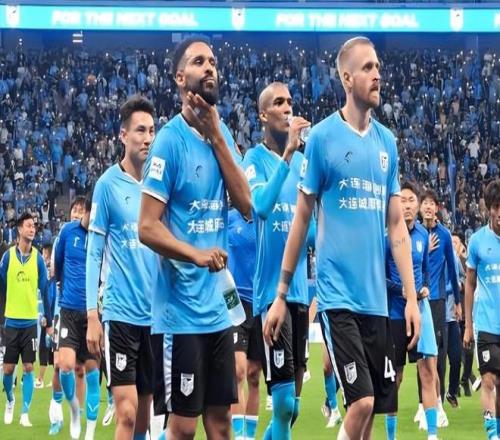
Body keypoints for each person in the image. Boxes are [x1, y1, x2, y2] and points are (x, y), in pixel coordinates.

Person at [263, 36, 420, 440]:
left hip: (376, 302)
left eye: (378, 66)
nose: (377, 74)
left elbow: (396, 225)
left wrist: (410, 296)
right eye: (367, 67)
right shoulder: (323, 138)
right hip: (338, 299)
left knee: (369, 417)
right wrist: (281, 294)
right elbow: (301, 219)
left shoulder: (387, 143)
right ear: (347, 79)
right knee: (361, 402)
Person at [138, 36, 251, 440]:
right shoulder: (169, 141)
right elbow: (146, 226)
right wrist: (196, 255)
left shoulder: (222, 135)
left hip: (218, 309)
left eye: (213, 61)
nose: (210, 68)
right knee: (183, 428)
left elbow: (247, 204)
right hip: (180, 313)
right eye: (199, 61)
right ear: (179, 77)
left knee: (221, 424)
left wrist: (217, 136)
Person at [242, 81, 312, 439]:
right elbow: (261, 206)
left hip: (299, 293)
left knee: (293, 407)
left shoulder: (304, 163)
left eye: (290, 102)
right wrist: (286, 155)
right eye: (279, 102)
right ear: (262, 114)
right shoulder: (254, 160)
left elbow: (310, 231)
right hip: (272, 293)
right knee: (282, 403)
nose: (287, 108)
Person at [86, 95, 159, 440]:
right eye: (140, 130)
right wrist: (92, 315)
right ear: (123, 135)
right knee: (126, 414)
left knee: (144, 417)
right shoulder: (107, 185)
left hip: (156, 317)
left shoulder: (160, 186)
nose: (147, 138)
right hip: (120, 316)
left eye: (152, 131)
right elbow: (94, 254)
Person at [384, 181, 439, 440]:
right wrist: (402, 290)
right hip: (395, 315)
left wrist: (424, 287)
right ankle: (391, 437)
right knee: (395, 377)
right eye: (402, 201)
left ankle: (432, 435)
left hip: (418, 312)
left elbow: (425, 271)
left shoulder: (423, 236)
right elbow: (381, 278)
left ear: (417, 205)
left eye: (410, 201)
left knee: (427, 371)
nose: (406, 206)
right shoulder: (388, 237)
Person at [0, 212, 53, 427]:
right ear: (20, 229)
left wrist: (48, 321)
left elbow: (45, 291)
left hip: (30, 323)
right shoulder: (7, 257)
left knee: (29, 367)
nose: (32, 229)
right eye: (29, 225)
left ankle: (24, 414)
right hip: (11, 322)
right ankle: (10, 401)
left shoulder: (38, 259)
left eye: (34, 226)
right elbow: (2, 286)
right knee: (8, 370)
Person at [54, 196, 100, 440]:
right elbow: (58, 263)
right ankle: (73, 410)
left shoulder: (100, 234)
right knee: (65, 366)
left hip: (92, 313)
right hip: (69, 310)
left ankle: (89, 432)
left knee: (92, 372)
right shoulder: (67, 231)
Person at [416, 189, 461, 428]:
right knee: (420, 355)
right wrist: (426, 249)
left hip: (437, 301)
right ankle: (422, 404)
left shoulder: (444, 235)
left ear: (436, 208)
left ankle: (439, 402)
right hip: (417, 299)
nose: (428, 207)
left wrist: (459, 303)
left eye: (431, 203)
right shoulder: (416, 233)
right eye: (424, 203)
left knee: (437, 355)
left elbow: (453, 271)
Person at [464, 179, 500, 440]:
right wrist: (468, 326)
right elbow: (469, 283)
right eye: (496, 206)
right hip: (486, 323)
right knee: (488, 380)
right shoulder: (477, 241)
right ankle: (491, 436)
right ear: (489, 208)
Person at [227, 205, 261, 440]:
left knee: (254, 375)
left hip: (259, 304)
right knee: (238, 371)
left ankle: (249, 436)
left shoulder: (263, 218)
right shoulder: (229, 218)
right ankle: (238, 436)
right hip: (234, 303)